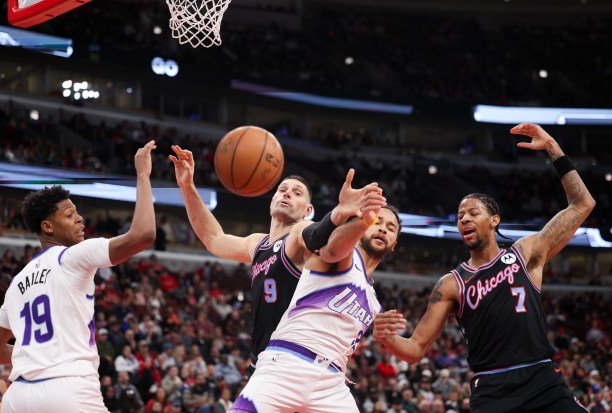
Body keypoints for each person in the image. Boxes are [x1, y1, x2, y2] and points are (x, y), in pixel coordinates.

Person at [373, 123, 596, 413]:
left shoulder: (525, 253)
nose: (464, 218)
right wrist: (386, 338)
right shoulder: (451, 283)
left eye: (474, 212)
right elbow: (415, 349)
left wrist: (553, 148)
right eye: (460, 215)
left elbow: (582, 204)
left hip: (543, 380)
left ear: (494, 220)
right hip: (492, 390)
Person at [169, 145, 385, 370]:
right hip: (264, 360)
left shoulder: (299, 232)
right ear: (272, 200)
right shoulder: (257, 243)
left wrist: (339, 213)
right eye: (282, 189)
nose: (288, 193)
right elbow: (213, 238)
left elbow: (316, 236)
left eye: (297, 192)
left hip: (295, 358)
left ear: (307, 210)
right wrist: (187, 186)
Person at [0, 140, 157, 413]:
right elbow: (143, 235)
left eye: (78, 213)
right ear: (47, 227)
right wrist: (142, 175)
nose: (80, 219)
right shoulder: (73, 256)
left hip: (18, 398)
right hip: (68, 390)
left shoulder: (16, 283)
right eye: (70, 215)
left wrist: (33, 354)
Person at [230, 204, 402, 412]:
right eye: (377, 222)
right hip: (287, 363)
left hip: (331, 383)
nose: (383, 229)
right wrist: (361, 219)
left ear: (394, 244)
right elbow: (333, 245)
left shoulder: (374, 300)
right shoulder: (343, 256)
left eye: (390, 227)